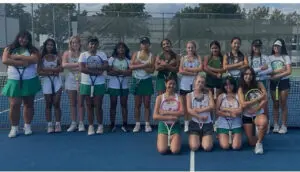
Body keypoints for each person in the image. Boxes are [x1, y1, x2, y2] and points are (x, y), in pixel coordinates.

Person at [2, 30, 41, 138]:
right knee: (14, 105)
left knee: (29, 104)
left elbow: (34, 59)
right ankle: (14, 128)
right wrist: (21, 62)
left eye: (26, 38)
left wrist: (14, 57)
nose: (23, 40)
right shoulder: (9, 48)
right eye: (21, 37)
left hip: (30, 79)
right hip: (14, 80)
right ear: (18, 38)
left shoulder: (33, 50)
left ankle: (27, 126)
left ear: (29, 40)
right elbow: (5, 60)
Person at [78, 36, 108, 135]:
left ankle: (100, 125)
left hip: (99, 84)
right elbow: (82, 68)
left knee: (98, 106)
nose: (93, 45)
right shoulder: (83, 55)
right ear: (88, 45)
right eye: (91, 44)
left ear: (97, 45)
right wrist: (96, 71)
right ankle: (91, 126)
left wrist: (92, 68)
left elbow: (105, 66)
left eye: (95, 44)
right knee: (89, 106)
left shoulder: (102, 54)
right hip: (86, 83)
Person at [238, 67, 268, 154]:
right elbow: (243, 104)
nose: (248, 76)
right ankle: (260, 133)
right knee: (251, 142)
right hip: (247, 115)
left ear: (253, 76)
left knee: (263, 123)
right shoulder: (240, 89)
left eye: (250, 74)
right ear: (243, 76)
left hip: (258, 113)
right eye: (246, 74)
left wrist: (256, 109)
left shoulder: (259, 84)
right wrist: (258, 98)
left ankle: (259, 143)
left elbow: (265, 98)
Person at [130, 37, 155, 133]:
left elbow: (152, 70)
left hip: (147, 81)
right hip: (137, 81)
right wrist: (145, 65)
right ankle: (137, 124)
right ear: (140, 45)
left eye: (146, 43)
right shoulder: (136, 54)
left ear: (149, 44)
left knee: (147, 104)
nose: (144, 45)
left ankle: (147, 124)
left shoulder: (152, 56)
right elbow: (131, 66)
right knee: (137, 104)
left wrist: (139, 64)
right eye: (143, 43)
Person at [38, 38, 63, 133]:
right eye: (48, 44)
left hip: (57, 81)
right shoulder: (41, 57)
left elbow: (61, 68)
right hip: (46, 82)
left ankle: (57, 124)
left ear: (54, 46)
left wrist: (50, 70)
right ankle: (49, 125)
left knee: (56, 103)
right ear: (45, 45)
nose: (50, 46)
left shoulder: (57, 56)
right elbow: (39, 71)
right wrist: (51, 72)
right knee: (48, 104)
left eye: (52, 45)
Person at [153, 76, 183, 154]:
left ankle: (175, 139)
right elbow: (155, 116)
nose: (171, 86)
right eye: (170, 83)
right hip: (163, 126)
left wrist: (165, 113)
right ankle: (164, 139)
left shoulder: (179, 97)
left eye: (174, 84)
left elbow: (182, 112)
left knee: (175, 151)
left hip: (175, 127)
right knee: (162, 151)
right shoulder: (159, 98)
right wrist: (171, 117)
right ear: (165, 84)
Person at [248, 39, 272, 133]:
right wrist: (261, 68)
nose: (257, 48)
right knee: (252, 103)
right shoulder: (249, 58)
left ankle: (266, 124)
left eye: (258, 46)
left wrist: (256, 71)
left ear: (261, 47)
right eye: (255, 46)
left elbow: (270, 69)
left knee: (264, 103)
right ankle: (254, 124)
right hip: (251, 83)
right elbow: (249, 70)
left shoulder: (266, 57)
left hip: (263, 82)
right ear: (252, 47)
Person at [62, 36, 86, 132]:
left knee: (80, 103)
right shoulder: (66, 54)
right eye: (72, 43)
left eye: (76, 42)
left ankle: (81, 123)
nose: (74, 44)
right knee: (72, 103)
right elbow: (64, 65)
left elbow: (85, 66)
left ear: (80, 44)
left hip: (82, 79)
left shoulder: (83, 54)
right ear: (70, 44)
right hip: (70, 80)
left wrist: (72, 66)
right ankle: (73, 123)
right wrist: (78, 65)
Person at [178, 41, 202, 132]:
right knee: (185, 106)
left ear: (195, 48)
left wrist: (187, 69)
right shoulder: (183, 58)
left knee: (193, 105)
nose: (190, 49)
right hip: (184, 85)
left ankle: (194, 123)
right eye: (188, 47)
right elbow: (181, 70)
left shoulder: (198, 57)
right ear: (186, 48)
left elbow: (200, 68)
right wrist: (192, 72)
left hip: (195, 86)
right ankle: (186, 124)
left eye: (192, 47)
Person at [107, 42, 131, 132]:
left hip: (124, 86)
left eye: (123, 48)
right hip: (113, 86)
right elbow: (109, 72)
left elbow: (130, 72)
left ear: (125, 49)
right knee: (113, 105)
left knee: (124, 105)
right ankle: (112, 124)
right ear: (116, 50)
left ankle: (125, 125)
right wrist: (123, 72)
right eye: (119, 48)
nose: (121, 49)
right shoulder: (111, 59)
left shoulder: (128, 60)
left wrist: (118, 71)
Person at [269, 39, 292, 134]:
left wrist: (276, 76)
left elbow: (289, 71)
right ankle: (275, 125)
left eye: (278, 46)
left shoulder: (286, 57)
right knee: (275, 104)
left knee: (283, 103)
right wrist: (279, 71)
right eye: (275, 46)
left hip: (284, 82)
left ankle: (283, 125)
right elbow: (269, 71)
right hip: (273, 83)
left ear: (281, 47)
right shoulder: (269, 58)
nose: (276, 47)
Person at [186, 75, 215, 151]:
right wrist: (199, 117)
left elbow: (212, 106)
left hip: (207, 124)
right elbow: (189, 110)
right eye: (198, 81)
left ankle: (205, 138)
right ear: (194, 82)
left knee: (207, 147)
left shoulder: (208, 93)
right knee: (194, 147)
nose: (200, 84)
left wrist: (199, 110)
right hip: (195, 124)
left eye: (202, 82)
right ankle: (196, 137)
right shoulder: (189, 95)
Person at [216, 77, 243, 150]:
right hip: (223, 124)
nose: (228, 86)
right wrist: (230, 114)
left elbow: (240, 110)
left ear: (234, 85)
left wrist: (225, 109)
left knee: (236, 147)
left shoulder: (238, 96)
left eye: (230, 84)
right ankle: (220, 134)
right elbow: (217, 111)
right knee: (225, 146)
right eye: (226, 85)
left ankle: (236, 135)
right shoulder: (221, 96)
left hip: (236, 124)